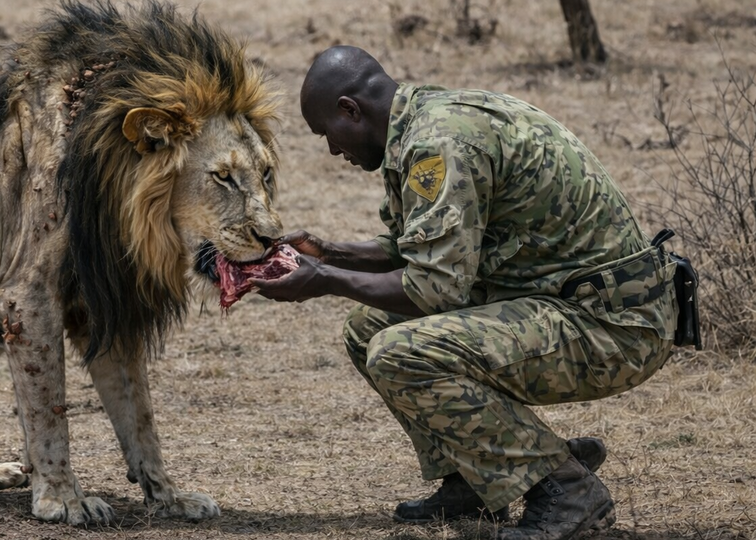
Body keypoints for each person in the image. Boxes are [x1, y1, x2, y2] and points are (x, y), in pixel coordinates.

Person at [252, 45, 679, 540]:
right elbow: (417, 247)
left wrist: (325, 281)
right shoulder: (420, 122)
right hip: (566, 303)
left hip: (614, 327)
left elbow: (435, 288)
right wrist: (330, 253)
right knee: (369, 330)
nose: (331, 149)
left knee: (399, 352)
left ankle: (563, 487)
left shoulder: (440, 142)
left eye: (327, 133)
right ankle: (475, 478)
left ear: (351, 109)